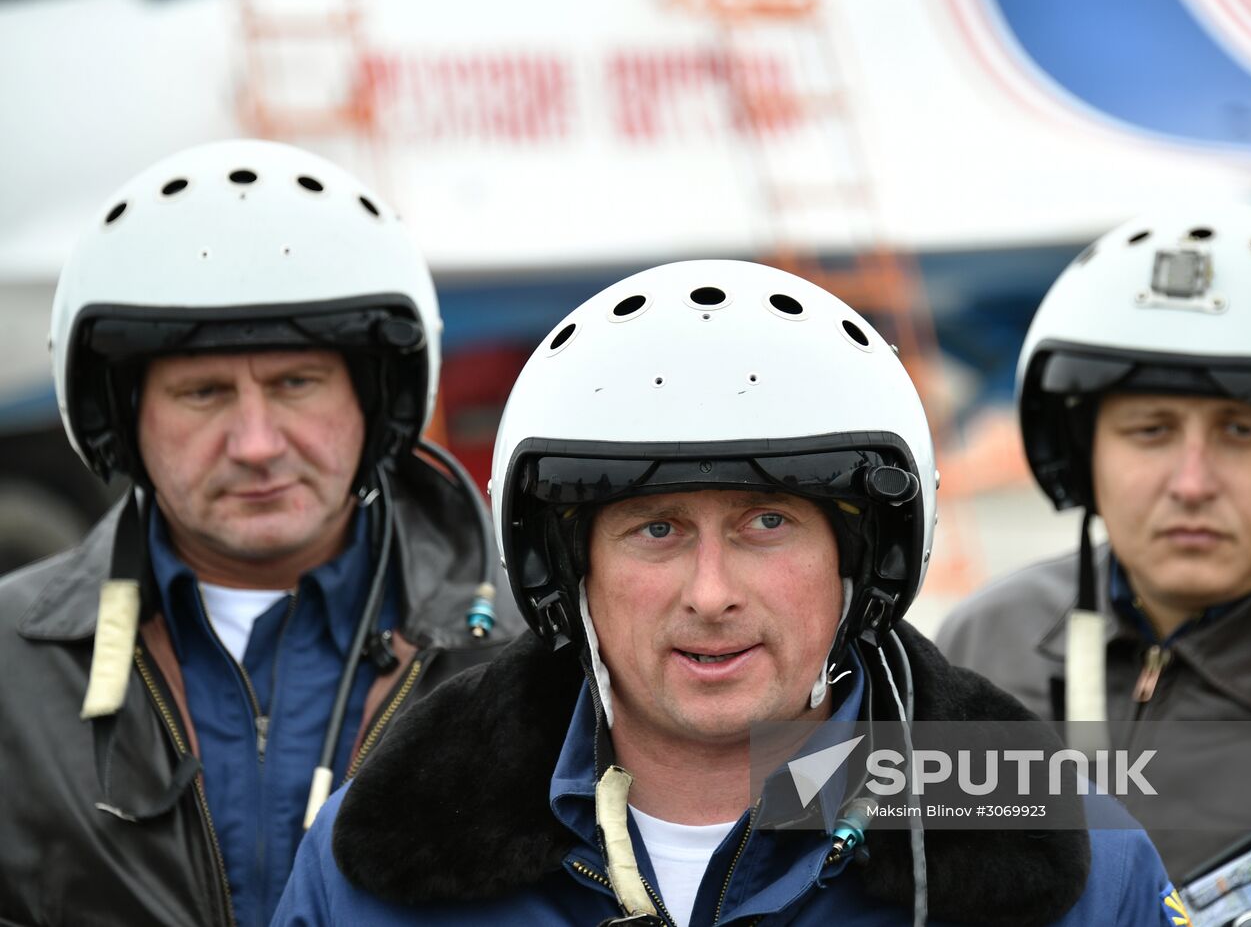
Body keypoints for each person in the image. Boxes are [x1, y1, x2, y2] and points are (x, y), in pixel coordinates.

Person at [273, 259, 1179, 926]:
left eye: (767, 524)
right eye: (655, 529)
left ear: (860, 561)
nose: (710, 594)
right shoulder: (379, 863)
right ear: (566, 565)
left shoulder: (1072, 867)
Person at [0, 140, 521, 927]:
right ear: (122, 415)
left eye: (296, 383)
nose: (255, 442)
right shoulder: (12, 666)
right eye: (203, 392)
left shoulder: (535, 652)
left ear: (374, 400)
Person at [936, 205, 1251, 882]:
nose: (1190, 483)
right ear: (1079, 454)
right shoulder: (985, 644)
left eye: (1242, 431)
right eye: (1149, 430)